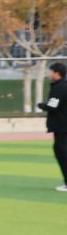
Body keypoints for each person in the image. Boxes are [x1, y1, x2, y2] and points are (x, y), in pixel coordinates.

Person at [45, 62, 66, 191]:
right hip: (63, 126)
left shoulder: (59, 88)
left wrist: (41, 105)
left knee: (62, 153)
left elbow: (52, 106)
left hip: (62, 126)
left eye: (51, 72)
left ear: (56, 73)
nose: (49, 74)